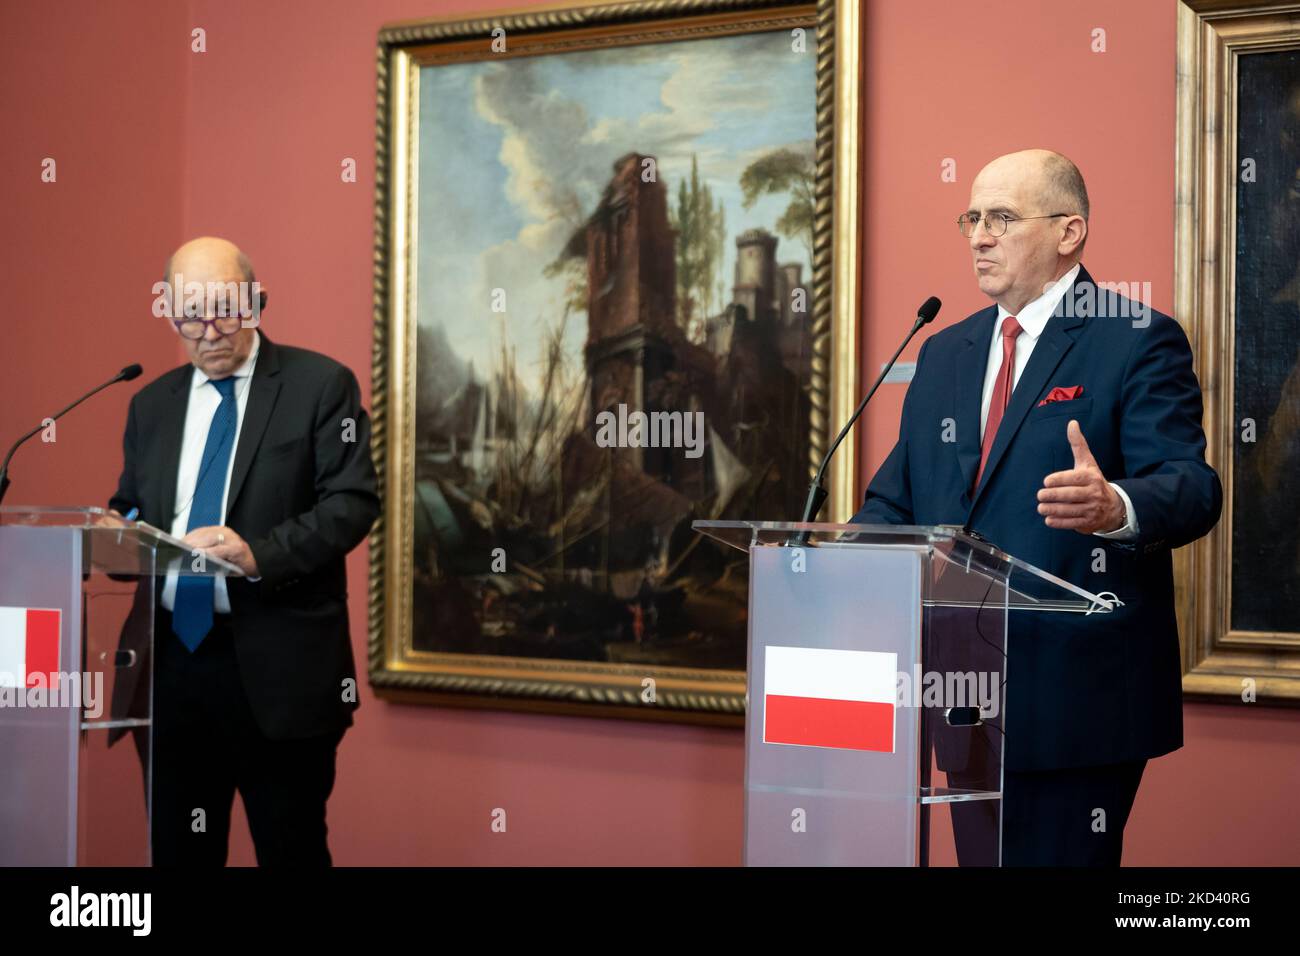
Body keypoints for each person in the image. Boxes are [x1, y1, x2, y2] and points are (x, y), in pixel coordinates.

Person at [852, 150, 1222, 865]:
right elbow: (896, 502)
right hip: (962, 689)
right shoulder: (945, 352)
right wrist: (822, 570)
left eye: (1002, 218)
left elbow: (1191, 486)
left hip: (1075, 696)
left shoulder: (1135, 338)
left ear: (1069, 232)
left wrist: (1114, 505)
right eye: (972, 219)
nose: (979, 237)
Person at [109, 236, 380, 865]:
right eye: (188, 314)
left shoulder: (320, 386)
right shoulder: (151, 404)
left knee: (291, 854)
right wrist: (114, 529)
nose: (207, 331)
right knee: (178, 856)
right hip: (172, 668)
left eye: (223, 309)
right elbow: (131, 503)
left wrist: (259, 553)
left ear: (256, 301)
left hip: (278, 668)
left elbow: (351, 504)